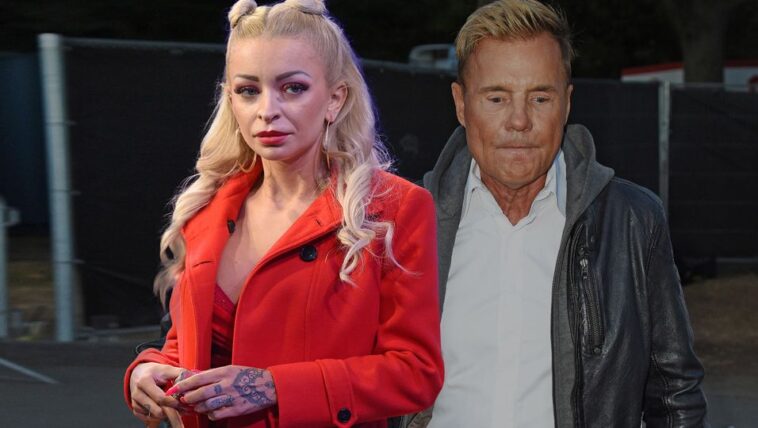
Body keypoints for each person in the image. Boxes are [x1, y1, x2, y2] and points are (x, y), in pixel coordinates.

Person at [124, 1, 443, 427]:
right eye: (248, 90)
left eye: (292, 88)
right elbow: (188, 346)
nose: (267, 110)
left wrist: (275, 387)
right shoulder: (207, 209)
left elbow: (416, 372)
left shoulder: (393, 208)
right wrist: (148, 370)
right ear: (230, 98)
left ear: (335, 99)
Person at [407, 1, 708, 427]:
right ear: (461, 104)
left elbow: (675, 395)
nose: (519, 121)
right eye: (497, 97)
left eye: (540, 97)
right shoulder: (400, 223)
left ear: (566, 104)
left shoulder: (632, 223)